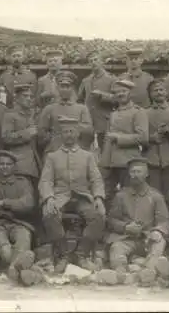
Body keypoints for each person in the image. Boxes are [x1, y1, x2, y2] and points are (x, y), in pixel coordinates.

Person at [39, 116, 106, 273]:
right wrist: (49, 198)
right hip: (60, 197)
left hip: (82, 197)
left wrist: (98, 198)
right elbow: (45, 181)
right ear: (61, 135)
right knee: (49, 215)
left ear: (77, 134)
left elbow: (96, 179)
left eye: (71, 131)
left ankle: (81, 254)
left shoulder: (87, 156)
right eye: (65, 132)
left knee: (99, 215)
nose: (69, 134)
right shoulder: (52, 157)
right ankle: (64, 255)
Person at [106, 157, 169, 284]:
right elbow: (111, 220)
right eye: (132, 172)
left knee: (159, 242)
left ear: (146, 174)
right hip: (126, 239)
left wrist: (158, 231)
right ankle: (122, 272)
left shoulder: (156, 196)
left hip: (148, 239)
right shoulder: (121, 196)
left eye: (139, 172)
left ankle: (149, 270)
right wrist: (125, 227)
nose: (135, 175)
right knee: (116, 248)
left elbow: (165, 221)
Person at [0, 150, 38, 284]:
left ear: (14, 166)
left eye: (8, 164)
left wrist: (3, 203)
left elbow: (28, 204)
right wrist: (13, 208)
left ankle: (13, 269)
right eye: (2, 164)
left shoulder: (23, 182)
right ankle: (21, 270)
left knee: (24, 240)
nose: (5, 167)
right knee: (4, 248)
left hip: (19, 223)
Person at [99, 79, 149, 207]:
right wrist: (104, 161)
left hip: (128, 161)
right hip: (109, 161)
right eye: (118, 92)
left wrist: (119, 138)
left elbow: (143, 137)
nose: (120, 94)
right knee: (106, 194)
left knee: (129, 195)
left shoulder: (138, 112)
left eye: (124, 91)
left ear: (130, 93)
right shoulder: (113, 114)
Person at [144, 79, 169, 206]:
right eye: (155, 90)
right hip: (151, 159)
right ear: (150, 94)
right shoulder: (144, 113)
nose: (159, 92)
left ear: (166, 92)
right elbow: (139, 135)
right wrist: (151, 138)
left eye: (161, 89)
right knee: (153, 194)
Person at [37, 70, 94, 157]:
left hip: (76, 150)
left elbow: (89, 132)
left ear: (73, 88)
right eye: (62, 86)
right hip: (55, 150)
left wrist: (70, 124)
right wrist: (54, 137)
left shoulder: (82, 108)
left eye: (68, 87)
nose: (64, 90)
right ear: (57, 88)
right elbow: (41, 134)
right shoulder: (49, 109)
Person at [1, 83, 42, 185]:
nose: (29, 99)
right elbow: (6, 137)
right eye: (25, 96)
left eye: (31, 96)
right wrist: (26, 133)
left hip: (34, 165)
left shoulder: (33, 116)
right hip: (18, 165)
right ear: (17, 99)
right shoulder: (10, 115)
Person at [77, 50, 117, 152]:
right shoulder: (85, 81)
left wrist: (103, 95)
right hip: (88, 123)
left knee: (105, 151)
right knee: (87, 152)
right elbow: (79, 100)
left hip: (105, 123)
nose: (93, 62)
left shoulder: (111, 79)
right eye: (90, 61)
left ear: (102, 62)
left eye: (96, 60)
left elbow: (118, 99)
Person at [0, 44, 38, 109]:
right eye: (14, 56)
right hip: (8, 110)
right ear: (10, 58)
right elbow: (2, 96)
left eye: (19, 56)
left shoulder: (31, 76)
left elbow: (33, 96)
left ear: (23, 58)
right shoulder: (4, 76)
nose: (16, 58)